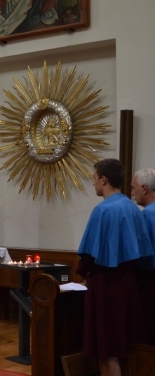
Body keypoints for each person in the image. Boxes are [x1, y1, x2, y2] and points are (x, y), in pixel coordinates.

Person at [77, 159, 154, 376]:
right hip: (130, 285)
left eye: (94, 178)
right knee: (127, 346)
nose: (93, 184)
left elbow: (89, 256)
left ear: (104, 179)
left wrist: (81, 273)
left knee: (107, 349)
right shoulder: (133, 208)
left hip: (105, 287)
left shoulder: (102, 211)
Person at [131, 168, 155, 346]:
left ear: (144, 189)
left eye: (134, 188)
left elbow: (141, 253)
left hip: (149, 281)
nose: (132, 193)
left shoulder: (146, 215)